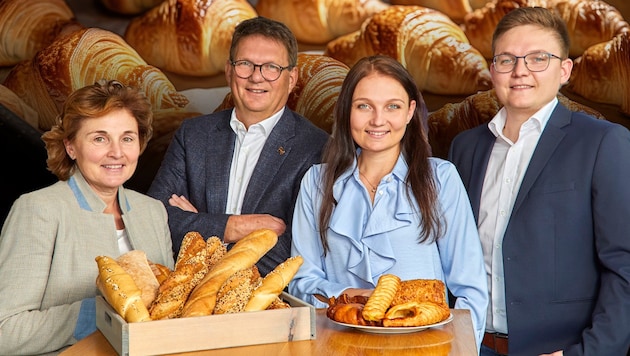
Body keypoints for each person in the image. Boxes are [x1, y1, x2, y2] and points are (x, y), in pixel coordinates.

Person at [448, 7, 630, 356]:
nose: (520, 71)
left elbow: (625, 266)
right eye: (507, 59)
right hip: (469, 345)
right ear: (492, 69)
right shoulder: (465, 147)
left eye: (537, 59)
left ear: (564, 70)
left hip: (557, 350)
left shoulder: (603, 143)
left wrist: (587, 353)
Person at [288, 55, 488, 350]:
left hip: (425, 348)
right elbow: (301, 282)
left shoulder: (441, 179)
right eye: (364, 106)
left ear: (409, 112)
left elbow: (470, 288)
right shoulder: (316, 183)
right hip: (338, 347)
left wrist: (463, 350)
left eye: (392, 106)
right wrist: (355, 295)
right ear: (346, 112)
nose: (378, 120)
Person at [0, 79, 175, 355]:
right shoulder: (38, 210)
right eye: (99, 138)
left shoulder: (152, 211)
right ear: (71, 147)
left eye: (127, 138)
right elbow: (5, 331)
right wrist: (100, 314)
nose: (117, 152)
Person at [147, 16, 329, 276]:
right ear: (229, 70)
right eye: (245, 64)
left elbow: (294, 254)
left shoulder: (316, 148)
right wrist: (233, 227)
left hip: (267, 306)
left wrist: (199, 226)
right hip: (185, 299)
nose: (256, 77)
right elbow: (153, 220)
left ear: (291, 78)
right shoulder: (193, 135)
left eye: (271, 67)